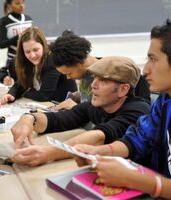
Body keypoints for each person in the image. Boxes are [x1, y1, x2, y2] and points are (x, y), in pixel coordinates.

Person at [72, 20, 171, 199]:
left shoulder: (141, 106)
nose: (146, 70)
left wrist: (137, 180)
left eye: (153, 59)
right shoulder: (165, 101)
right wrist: (99, 152)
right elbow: (138, 139)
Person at [10, 56, 150, 167]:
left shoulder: (138, 110)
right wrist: (29, 118)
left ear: (123, 89)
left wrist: (49, 153)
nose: (93, 85)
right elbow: (57, 120)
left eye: (103, 80)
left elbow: (99, 136)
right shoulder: (96, 106)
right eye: (95, 77)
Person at [49, 30, 151, 111]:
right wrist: (78, 96)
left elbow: (106, 112)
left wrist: (75, 107)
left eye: (69, 73)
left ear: (79, 63)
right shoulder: (85, 74)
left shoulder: (111, 75)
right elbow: (89, 95)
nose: (68, 77)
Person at [0, 26, 77, 104]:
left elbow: (44, 96)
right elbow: (21, 83)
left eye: (35, 50)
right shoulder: (27, 61)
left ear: (43, 46)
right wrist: (11, 94)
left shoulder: (52, 60)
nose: (32, 55)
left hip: (65, 107)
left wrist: (24, 93)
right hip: (49, 106)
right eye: (27, 52)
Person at [0, 0, 33, 86]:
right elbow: (1, 44)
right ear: (9, 5)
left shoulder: (28, 19)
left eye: (22, 3)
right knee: (16, 84)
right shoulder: (4, 21)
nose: (21, 6)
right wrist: (18, 37)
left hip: (29, 59)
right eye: (17, 3)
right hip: (13, 60)